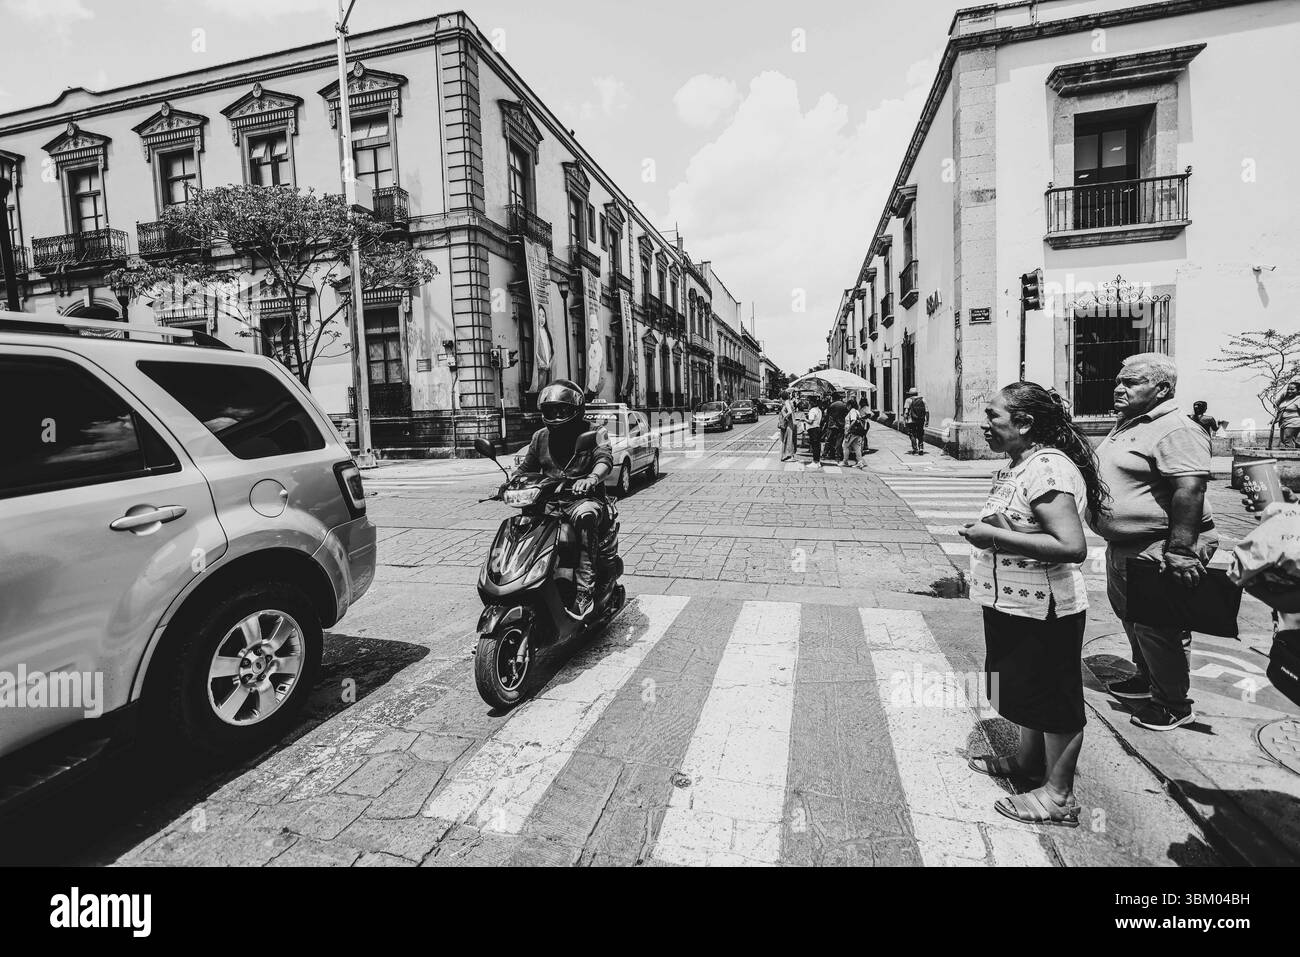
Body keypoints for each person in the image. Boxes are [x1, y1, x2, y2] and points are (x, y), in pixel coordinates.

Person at [958, 382, 1109, 828]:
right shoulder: (1020, 465)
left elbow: (1070, 545)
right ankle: (1027, 762)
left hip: (1046, 610)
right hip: (1013, 603)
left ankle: (1058, 796)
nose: (985, 425)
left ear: (1024, 423)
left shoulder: (1048, 470)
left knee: (1054, 696)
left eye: (994, 416)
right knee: (1022, 687)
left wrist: (994, 536)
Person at [1093, 354, 1215, 731]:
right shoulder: (1130, 423)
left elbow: (1189, 488)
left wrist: (1180, 551)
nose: (1119, 388)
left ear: (1162, 389)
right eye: (1119, 381)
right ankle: (1146, 678)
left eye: (1131, 383)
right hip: (1128, 545)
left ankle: (1173, 703)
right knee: (1132, 617)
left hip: (1161, 545)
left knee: (1159, 626)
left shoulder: (1176, 428)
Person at [510, 378, 614, 618]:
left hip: (583, 500)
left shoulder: (595, 432)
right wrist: (509, 483)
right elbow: (527, 468)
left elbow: (604, 460)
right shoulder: (540, 437)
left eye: (562, 410)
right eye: (550, 410)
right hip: (549, 503)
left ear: (576, 410)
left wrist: (591, 479)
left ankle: (584, 590)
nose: (556, 415)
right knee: (523, 525)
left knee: (585, 516)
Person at [841, 396, 866, 467]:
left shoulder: (852, 411)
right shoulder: (857, 411)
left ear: (850, 405)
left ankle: (845, 461)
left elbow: (854, 420)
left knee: (845, 446)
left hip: (851, 432)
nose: (846, 407)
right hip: (857, 432)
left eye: (847, 405)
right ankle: (860, 462)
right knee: (857, 447)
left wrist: (848, 430)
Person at [902, 387, 928, 454]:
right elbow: (927, 411)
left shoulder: (908, 400)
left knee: (912, 434)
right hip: (921, 420)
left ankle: (915, 449)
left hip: (912, 420)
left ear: (910, 394)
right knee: (920, 433)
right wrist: (927, 420)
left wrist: (905, 420)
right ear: (917, 393)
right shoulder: (923, 399)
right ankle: (921, 448)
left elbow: (906, 412)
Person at [1274, 382, 1300, 448]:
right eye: (1288, 389)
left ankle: (1290, 456)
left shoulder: (1298, 399)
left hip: (1294, 422)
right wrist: (1282, 396)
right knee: (1283, 440)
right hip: (1284, 422)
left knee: (1287, 439)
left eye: (1292, 389)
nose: (1289, 391)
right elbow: (1275, 405)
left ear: (1298, 390)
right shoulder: (1285, 398)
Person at [824, 391, 847, 462]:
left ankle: (825, 454)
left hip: (832, 425)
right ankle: (838, 456)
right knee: (839, 441)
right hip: (841, 425)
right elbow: (846, 414)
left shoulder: (832, 405)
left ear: (833, 397)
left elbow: (827, 414)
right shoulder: (844, 405)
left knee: (829, 440)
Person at [778, 390, 797, 461]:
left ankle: (789, 456)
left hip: (789, 423)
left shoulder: (786, 402)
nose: (779, 399)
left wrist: (784, 417)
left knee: (788, 439)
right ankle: (788, 455)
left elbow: (790, 411)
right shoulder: (789, 402)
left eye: (780, 397)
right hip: (790, 423)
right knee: (789, 439)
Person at [805, 397, 824, 467]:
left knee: (814, 446)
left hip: (813, 430)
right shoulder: (819, 410)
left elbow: (810, 421)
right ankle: (818, 461)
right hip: (818, 428)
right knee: (817, 446)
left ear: (811, 403)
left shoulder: (812, 410)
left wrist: (804, 419)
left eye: (809, 403)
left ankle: (815, 462)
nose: (808, 405)